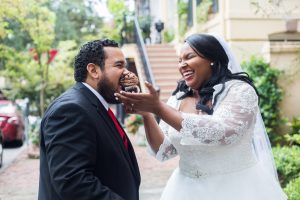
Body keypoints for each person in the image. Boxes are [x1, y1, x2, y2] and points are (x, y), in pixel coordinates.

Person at [115, 33, 287, 200]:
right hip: (186, 190)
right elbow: (165, 152)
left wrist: (159, 108)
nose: (182, 65)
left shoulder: (239, 91)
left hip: (239, 188)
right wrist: (147, 114)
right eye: (179, 60)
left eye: (189, 57)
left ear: (212, 58)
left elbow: (222, 133)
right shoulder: (177, 99)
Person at [39, 39, 140, 200]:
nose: (127, 73)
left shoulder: (94, 105)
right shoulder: (71, 110)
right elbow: (73, 182)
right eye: (119, 66)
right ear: (93, 70)